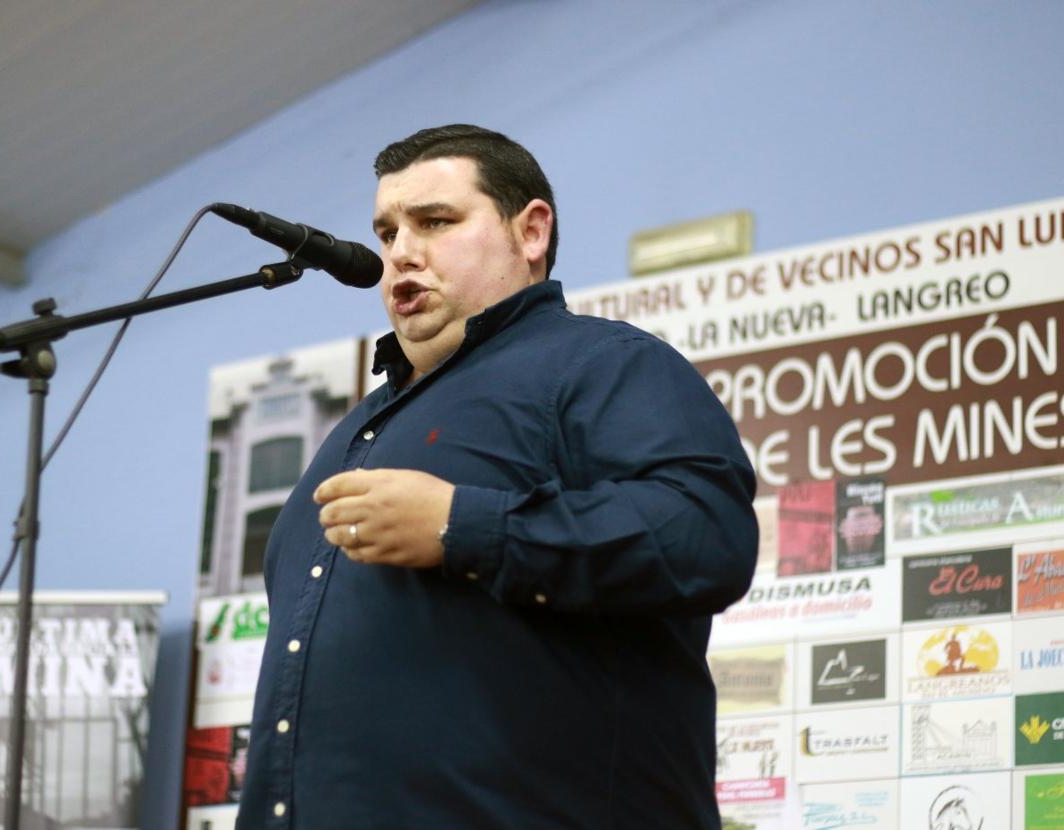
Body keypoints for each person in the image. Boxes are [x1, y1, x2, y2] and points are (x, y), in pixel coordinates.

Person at [236, 124, 758, 828]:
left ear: (531, 230)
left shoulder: (603, 364)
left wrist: (461, 525)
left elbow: (705, 536)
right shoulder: (354, 428)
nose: (400, 254)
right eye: (388, 232)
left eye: (435, 222)